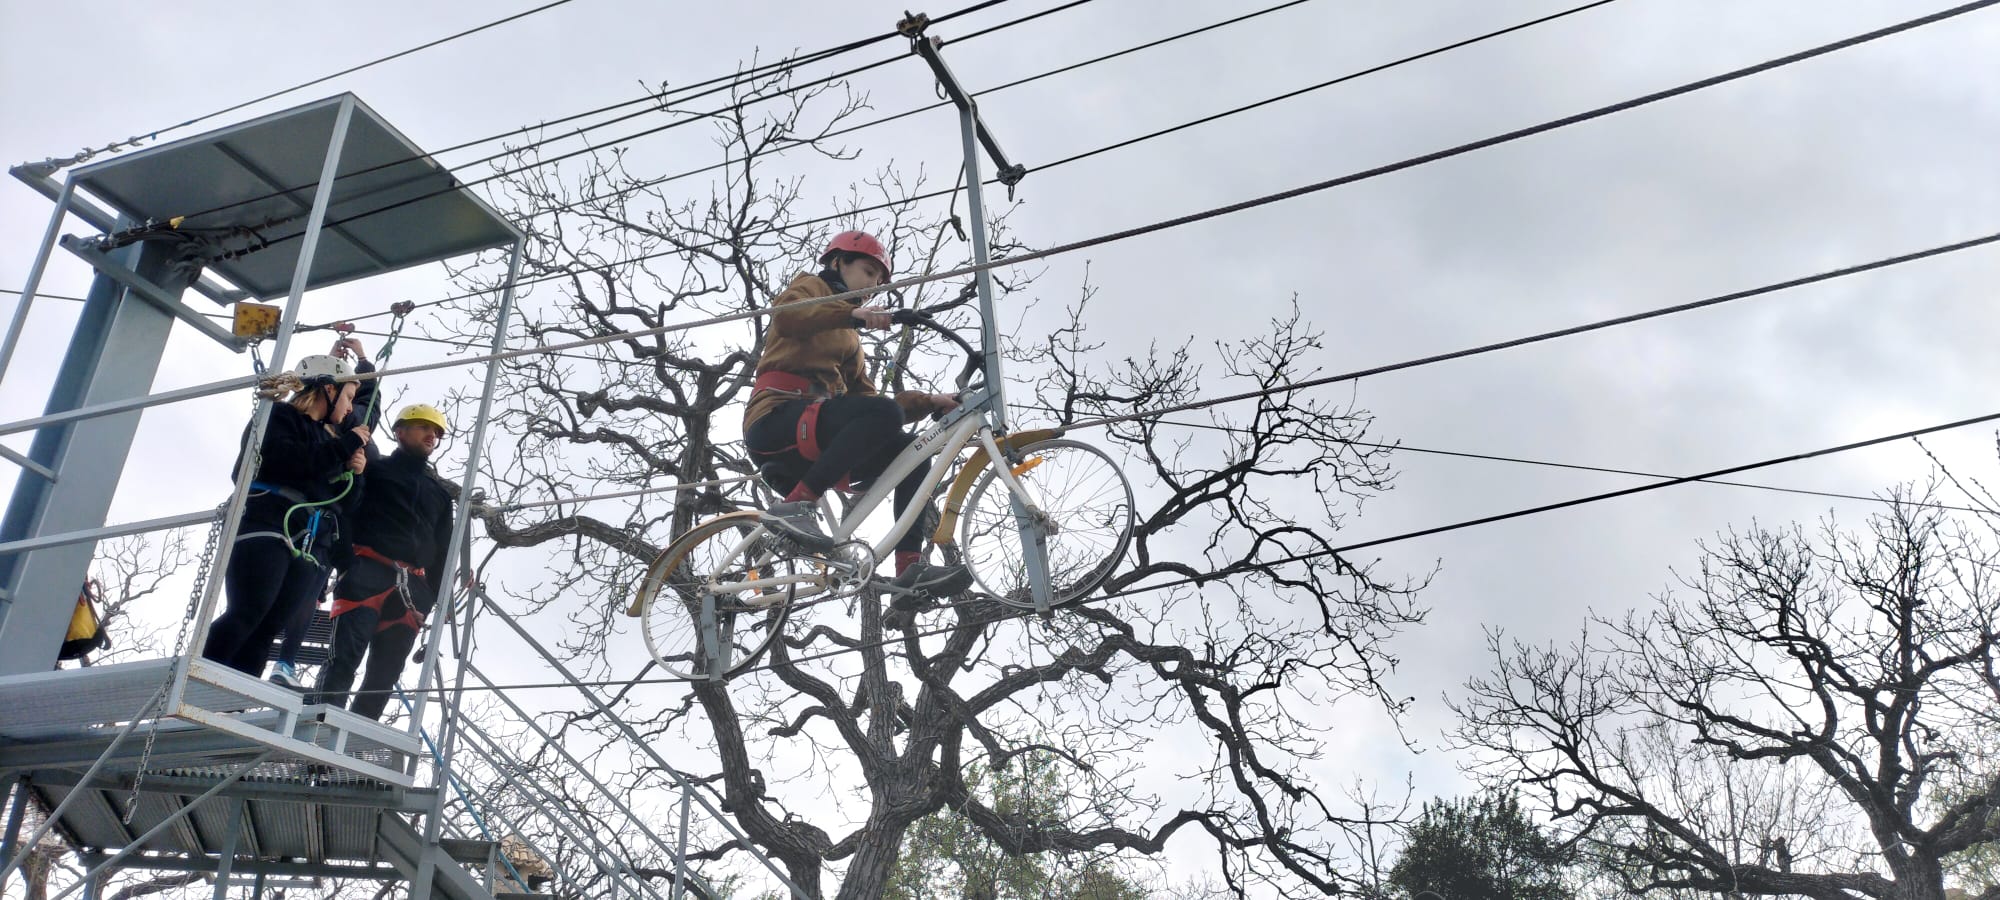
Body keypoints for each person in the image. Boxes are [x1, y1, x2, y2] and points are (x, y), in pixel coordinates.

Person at [742, 229, 971, 596]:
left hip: (813, 431)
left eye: (878, 281)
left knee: (912, 452)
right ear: (838, 263)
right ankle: (797, 505)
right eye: (868, 272)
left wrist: (929, 401)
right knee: (883, 415)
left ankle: (909, 568)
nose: (873, 285)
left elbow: (874, 407)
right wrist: (851, 314)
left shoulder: (849, 341)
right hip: (775, 421)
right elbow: (789, 317)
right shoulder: (810, 288)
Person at [202, 353, 370, 676]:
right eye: (348, 397)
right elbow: (287, 460)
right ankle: (198, 677)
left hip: (303, 537)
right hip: (266, 521)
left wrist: (356, 473)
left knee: (268, 628)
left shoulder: (326, 439)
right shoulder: (278, 416)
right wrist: (344, 446)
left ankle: (234, 696)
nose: (350, 409)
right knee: (249, 612)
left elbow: (342, 503)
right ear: (328, 389)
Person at [313, 403, 456, 720]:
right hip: (367, 571)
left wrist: (439, 596)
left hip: (413, 589)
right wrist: (344, 560)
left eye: (436, 432)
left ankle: (353, 742)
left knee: (384, 677)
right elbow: (345, 510)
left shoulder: (440, 496)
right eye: (424, 427)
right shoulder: (374, 470)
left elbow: (444, 550)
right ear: (400, 432)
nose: (431, 435)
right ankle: (318, 730)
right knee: (343, 660)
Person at [269, 336, 380, 688]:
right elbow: (317, 394)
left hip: (323, 521)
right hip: (297, 515)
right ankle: (278, 661)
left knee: (307, 589)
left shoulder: (352, 426)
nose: (347, 408)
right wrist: (334, 363)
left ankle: (284, 661)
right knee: (278, 592)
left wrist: (361, 361)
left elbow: (365, 400)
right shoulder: (313, 426)